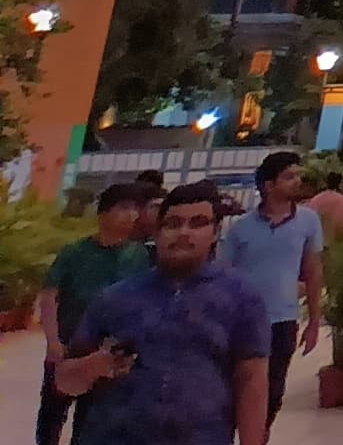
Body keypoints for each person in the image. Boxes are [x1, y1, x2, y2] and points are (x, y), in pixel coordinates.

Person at [49, 181, 267, 445]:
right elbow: (64, 381)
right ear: (157, 232)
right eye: (172, 224)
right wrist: (94, 365)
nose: (183, 232)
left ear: (215, 233)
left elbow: (252, 381)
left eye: (197, 223)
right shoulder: (115, 298)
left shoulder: (241, 298)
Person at [35, 182, 154, 445]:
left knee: (90, 421)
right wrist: (53, 341)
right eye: (123, 208)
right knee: (51, 415)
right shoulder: (75, 252)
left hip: (108, 352)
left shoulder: (139, 257)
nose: (132, 215)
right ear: (103, 213)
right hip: (67, 346)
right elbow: (49, 296)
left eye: (135, 209)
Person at [209, 157, 324, 417]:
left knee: (273, 392)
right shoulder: (240, 228)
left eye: (297, 175)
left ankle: (260, 434)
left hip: (284, 320)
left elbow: (313, 270)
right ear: (269, 185)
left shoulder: (309, 221)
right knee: (237, 387)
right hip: (244, 320)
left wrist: (314, 320)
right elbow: (223, 275)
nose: (297, 181)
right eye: (289, 177)